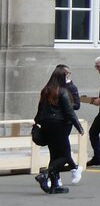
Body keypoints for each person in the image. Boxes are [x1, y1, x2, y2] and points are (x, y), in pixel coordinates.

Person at [34, 66, 85, 194]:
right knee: (65, 155)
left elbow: (40, 108)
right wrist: (79, 127)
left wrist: (38, 122)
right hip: (59, 125)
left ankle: (55, 185)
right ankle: (45, 174)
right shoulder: (62, 91)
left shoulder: (46, 90)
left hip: (46, 124)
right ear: (63, 77)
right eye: (66, 75)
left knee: (54, 154)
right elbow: (69, 112)